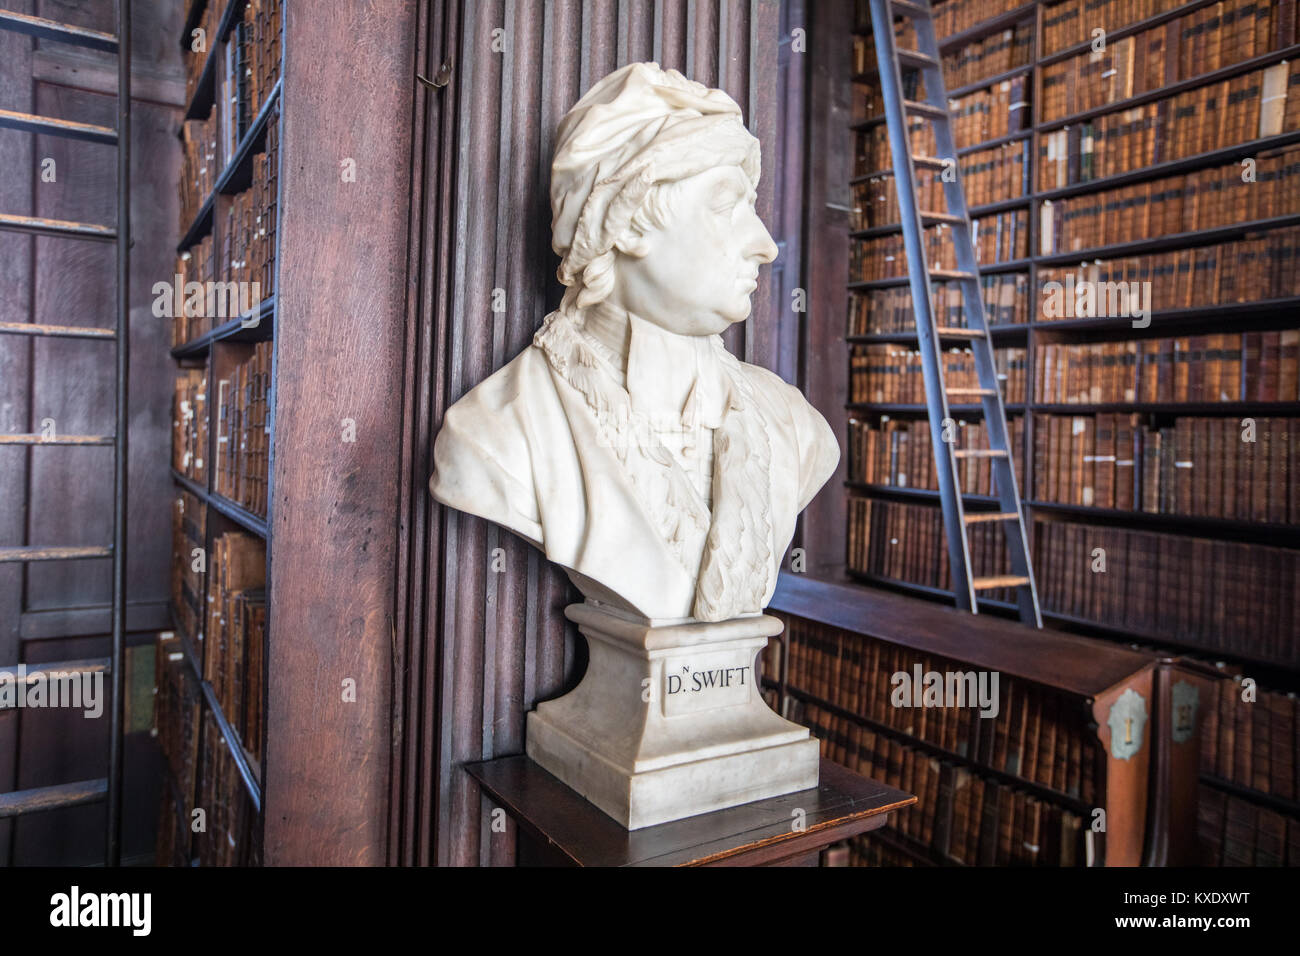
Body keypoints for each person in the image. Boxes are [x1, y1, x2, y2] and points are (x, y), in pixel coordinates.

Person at [429, 62, 838, 624]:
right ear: (626, 223)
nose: (764, 244)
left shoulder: (795, 427)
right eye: (726, 205)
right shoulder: (495, 435)